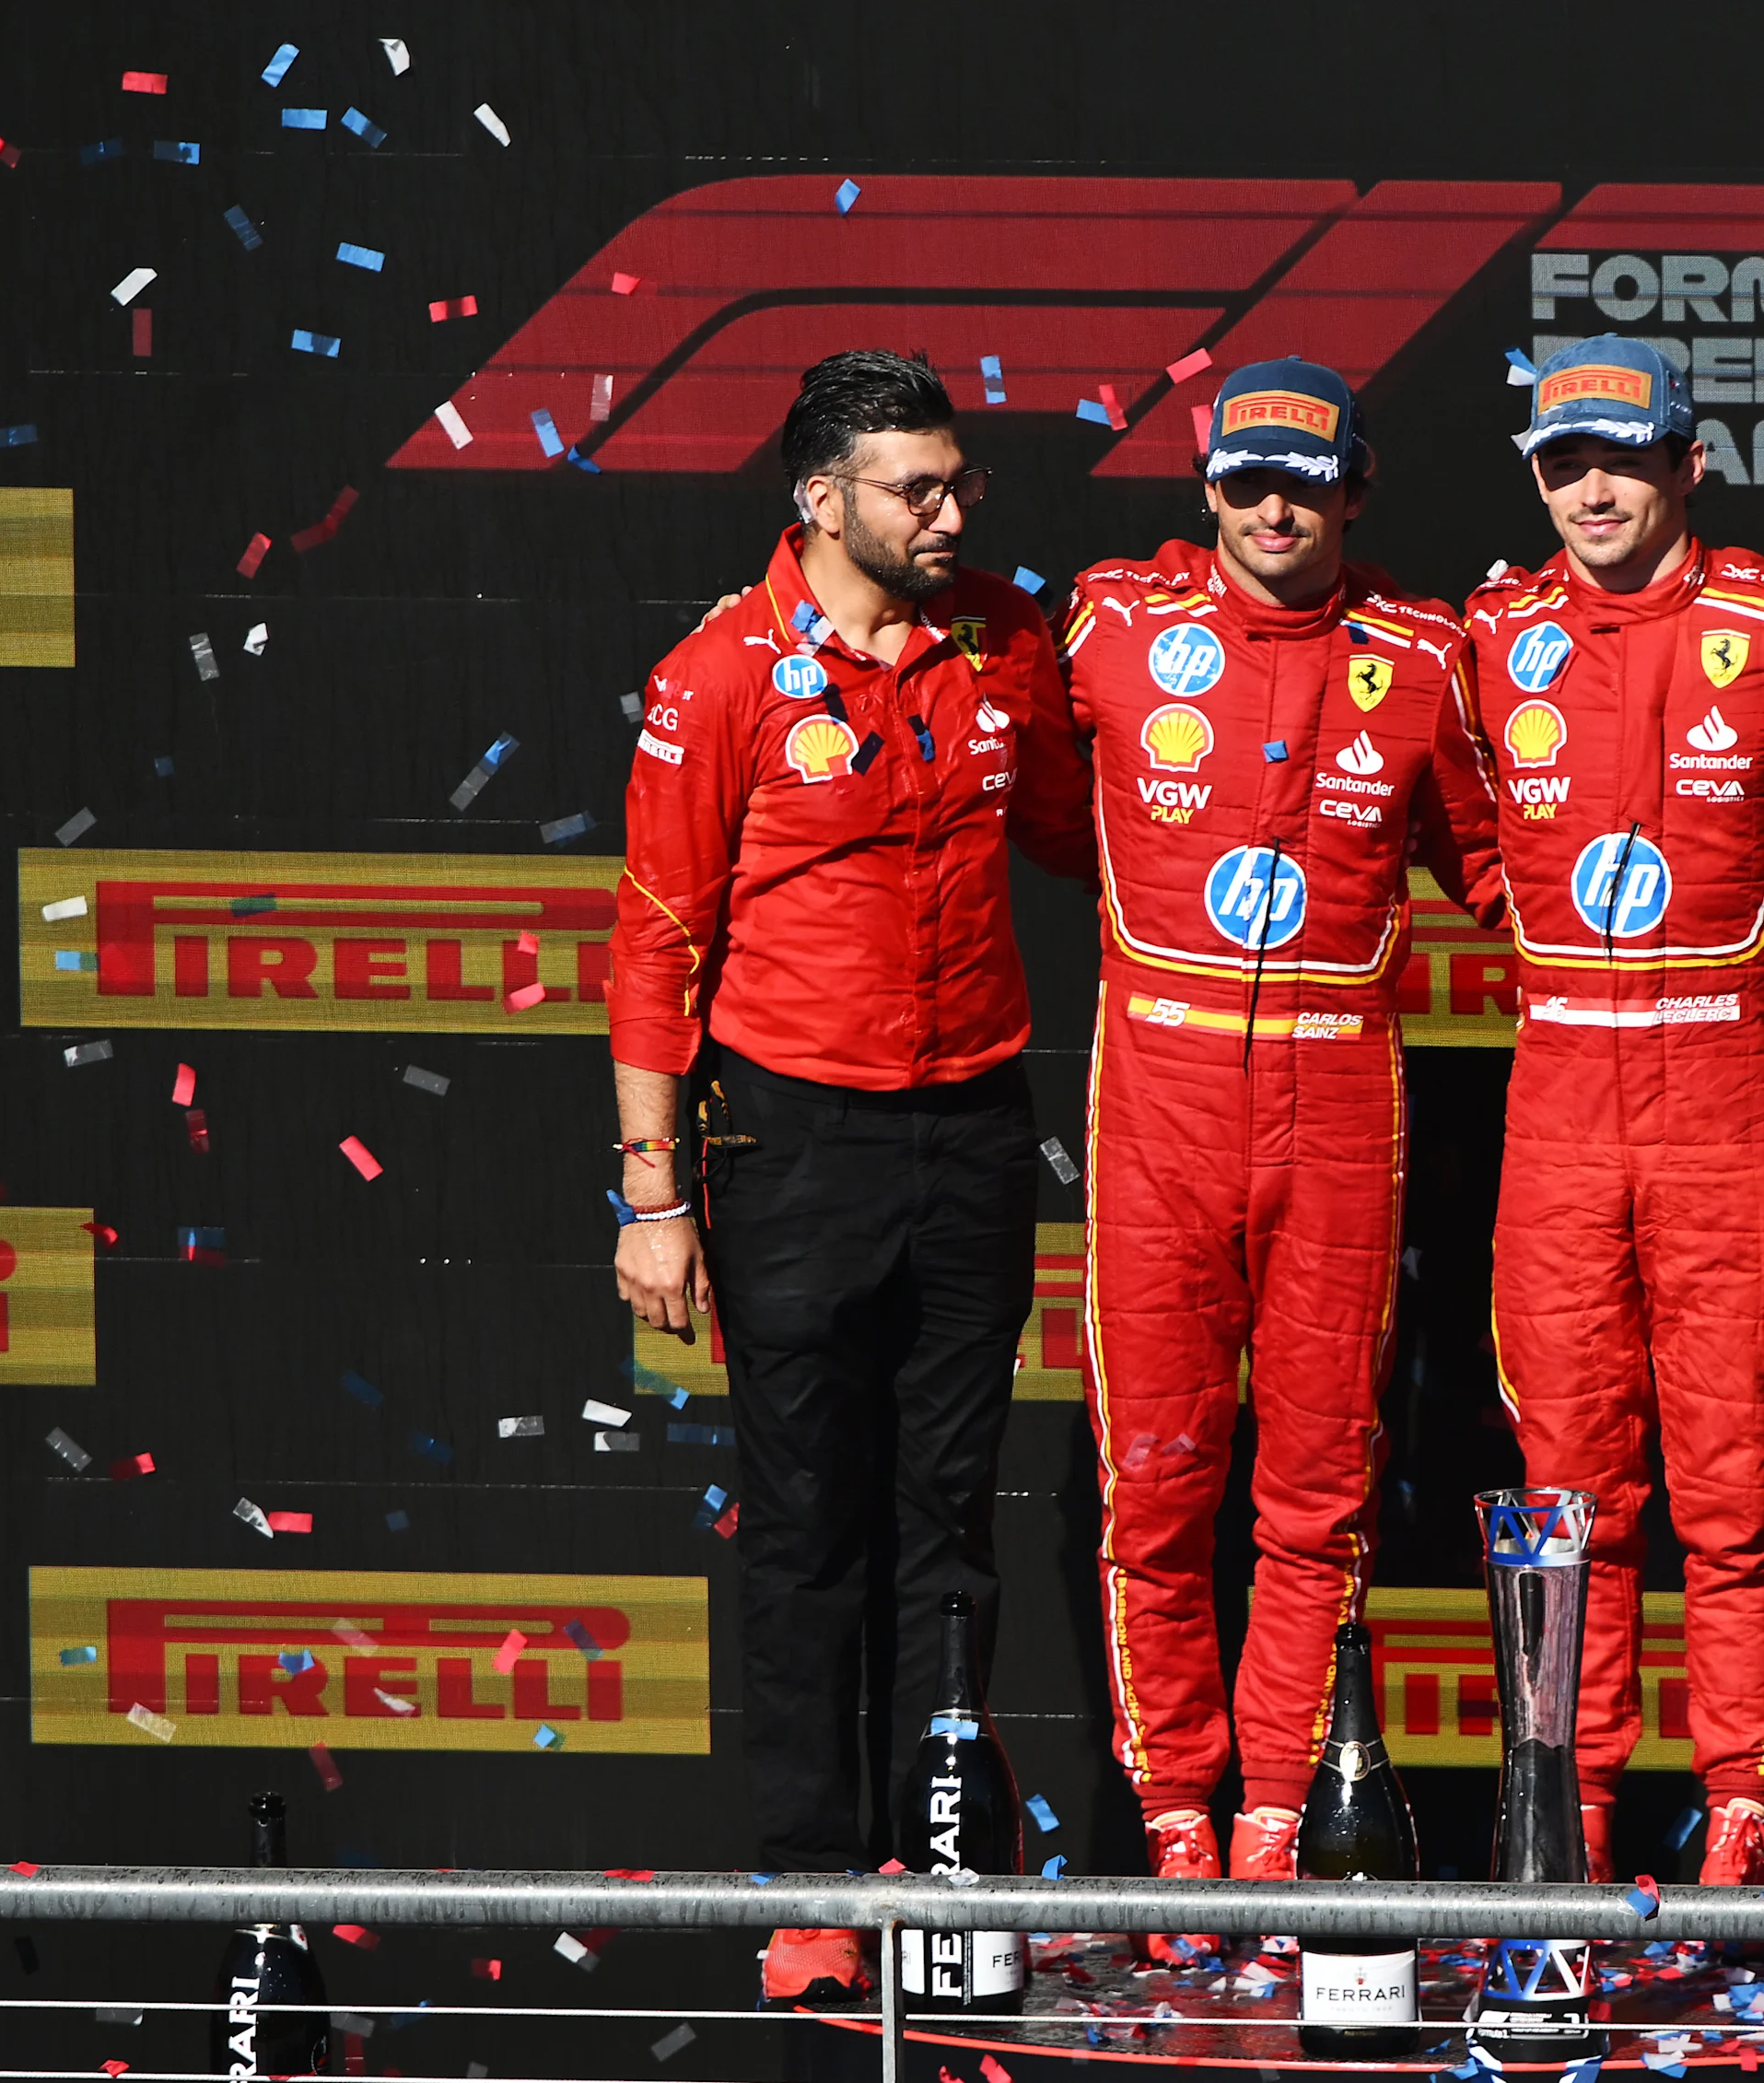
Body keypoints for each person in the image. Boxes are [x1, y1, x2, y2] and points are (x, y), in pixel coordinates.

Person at [608, 350, 1091, 2007]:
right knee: (810, 1526)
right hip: (792, 1140)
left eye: (961, 484)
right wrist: (655, 1199)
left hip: (972, 1129)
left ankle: (943, 1856)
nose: (957, 514)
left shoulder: (1009, 641)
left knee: (951, 1516)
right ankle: (812, 1886)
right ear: (820, 502)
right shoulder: (718, 676)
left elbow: (1094, 833)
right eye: (920, 490)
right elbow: (652, 949)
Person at [1057, 360, 1468, 1952]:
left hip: (1340, 1119)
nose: (1272, 507)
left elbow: (1517, 864)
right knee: (1154, 1496)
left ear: (1357, 489)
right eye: (1243, 482)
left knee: (1316, 1500)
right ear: (1203, 488)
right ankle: (1176, 1829)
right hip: (1156, 1111)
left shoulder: (1429, 658)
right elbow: (1008, 794)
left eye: (1304, 480)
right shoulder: (1104, 627)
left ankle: (1282, 1830)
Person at [1437, 335, 1764, 1888]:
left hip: (1728, 1081)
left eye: (1619, 458)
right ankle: (1570, 1828)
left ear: (1690, 461)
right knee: (1564, 1496)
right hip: (1561, 1082)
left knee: (1734, 1481)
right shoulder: (1490, 632)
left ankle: (1741, 1825)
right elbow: (1462, 828)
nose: (1589, 489)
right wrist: (1544, 928)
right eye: (1560, 465)